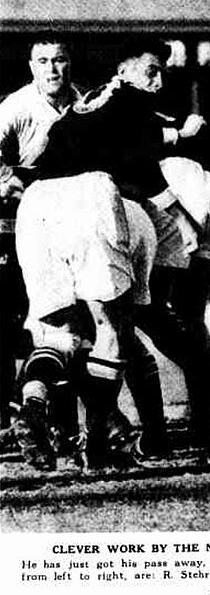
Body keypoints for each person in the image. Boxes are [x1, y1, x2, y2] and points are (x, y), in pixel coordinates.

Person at [37, 37, 210, 448]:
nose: (159, 78)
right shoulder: (122, 102)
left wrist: (182, 216)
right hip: (132, 206)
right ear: (123, 71)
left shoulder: (114, 101)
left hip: (137, 208)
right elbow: (136, 158)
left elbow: (136, 160)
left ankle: (181, 415)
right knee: (144, 316)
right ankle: (189, 406)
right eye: (151, 70)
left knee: (142, 315)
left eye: (162, 70)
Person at [14, 170, 158, 470]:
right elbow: (126, 329)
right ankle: (97, 448)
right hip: (95, 205)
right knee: (111, 329)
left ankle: (33, 403)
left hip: (34, 204)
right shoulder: (140, 218)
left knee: (58, 335)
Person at [0, 33, 82, 442]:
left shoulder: (81, 104)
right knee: (9, 321)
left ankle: (61, 425)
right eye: (44, 60)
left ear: (70, 64)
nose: (53, 68)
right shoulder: (15, 108)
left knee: (62, 320)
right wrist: (12, 183)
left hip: (64, 227)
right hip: (14, 226)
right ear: (31, 66)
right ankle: (7, 419)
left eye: (60, 60)